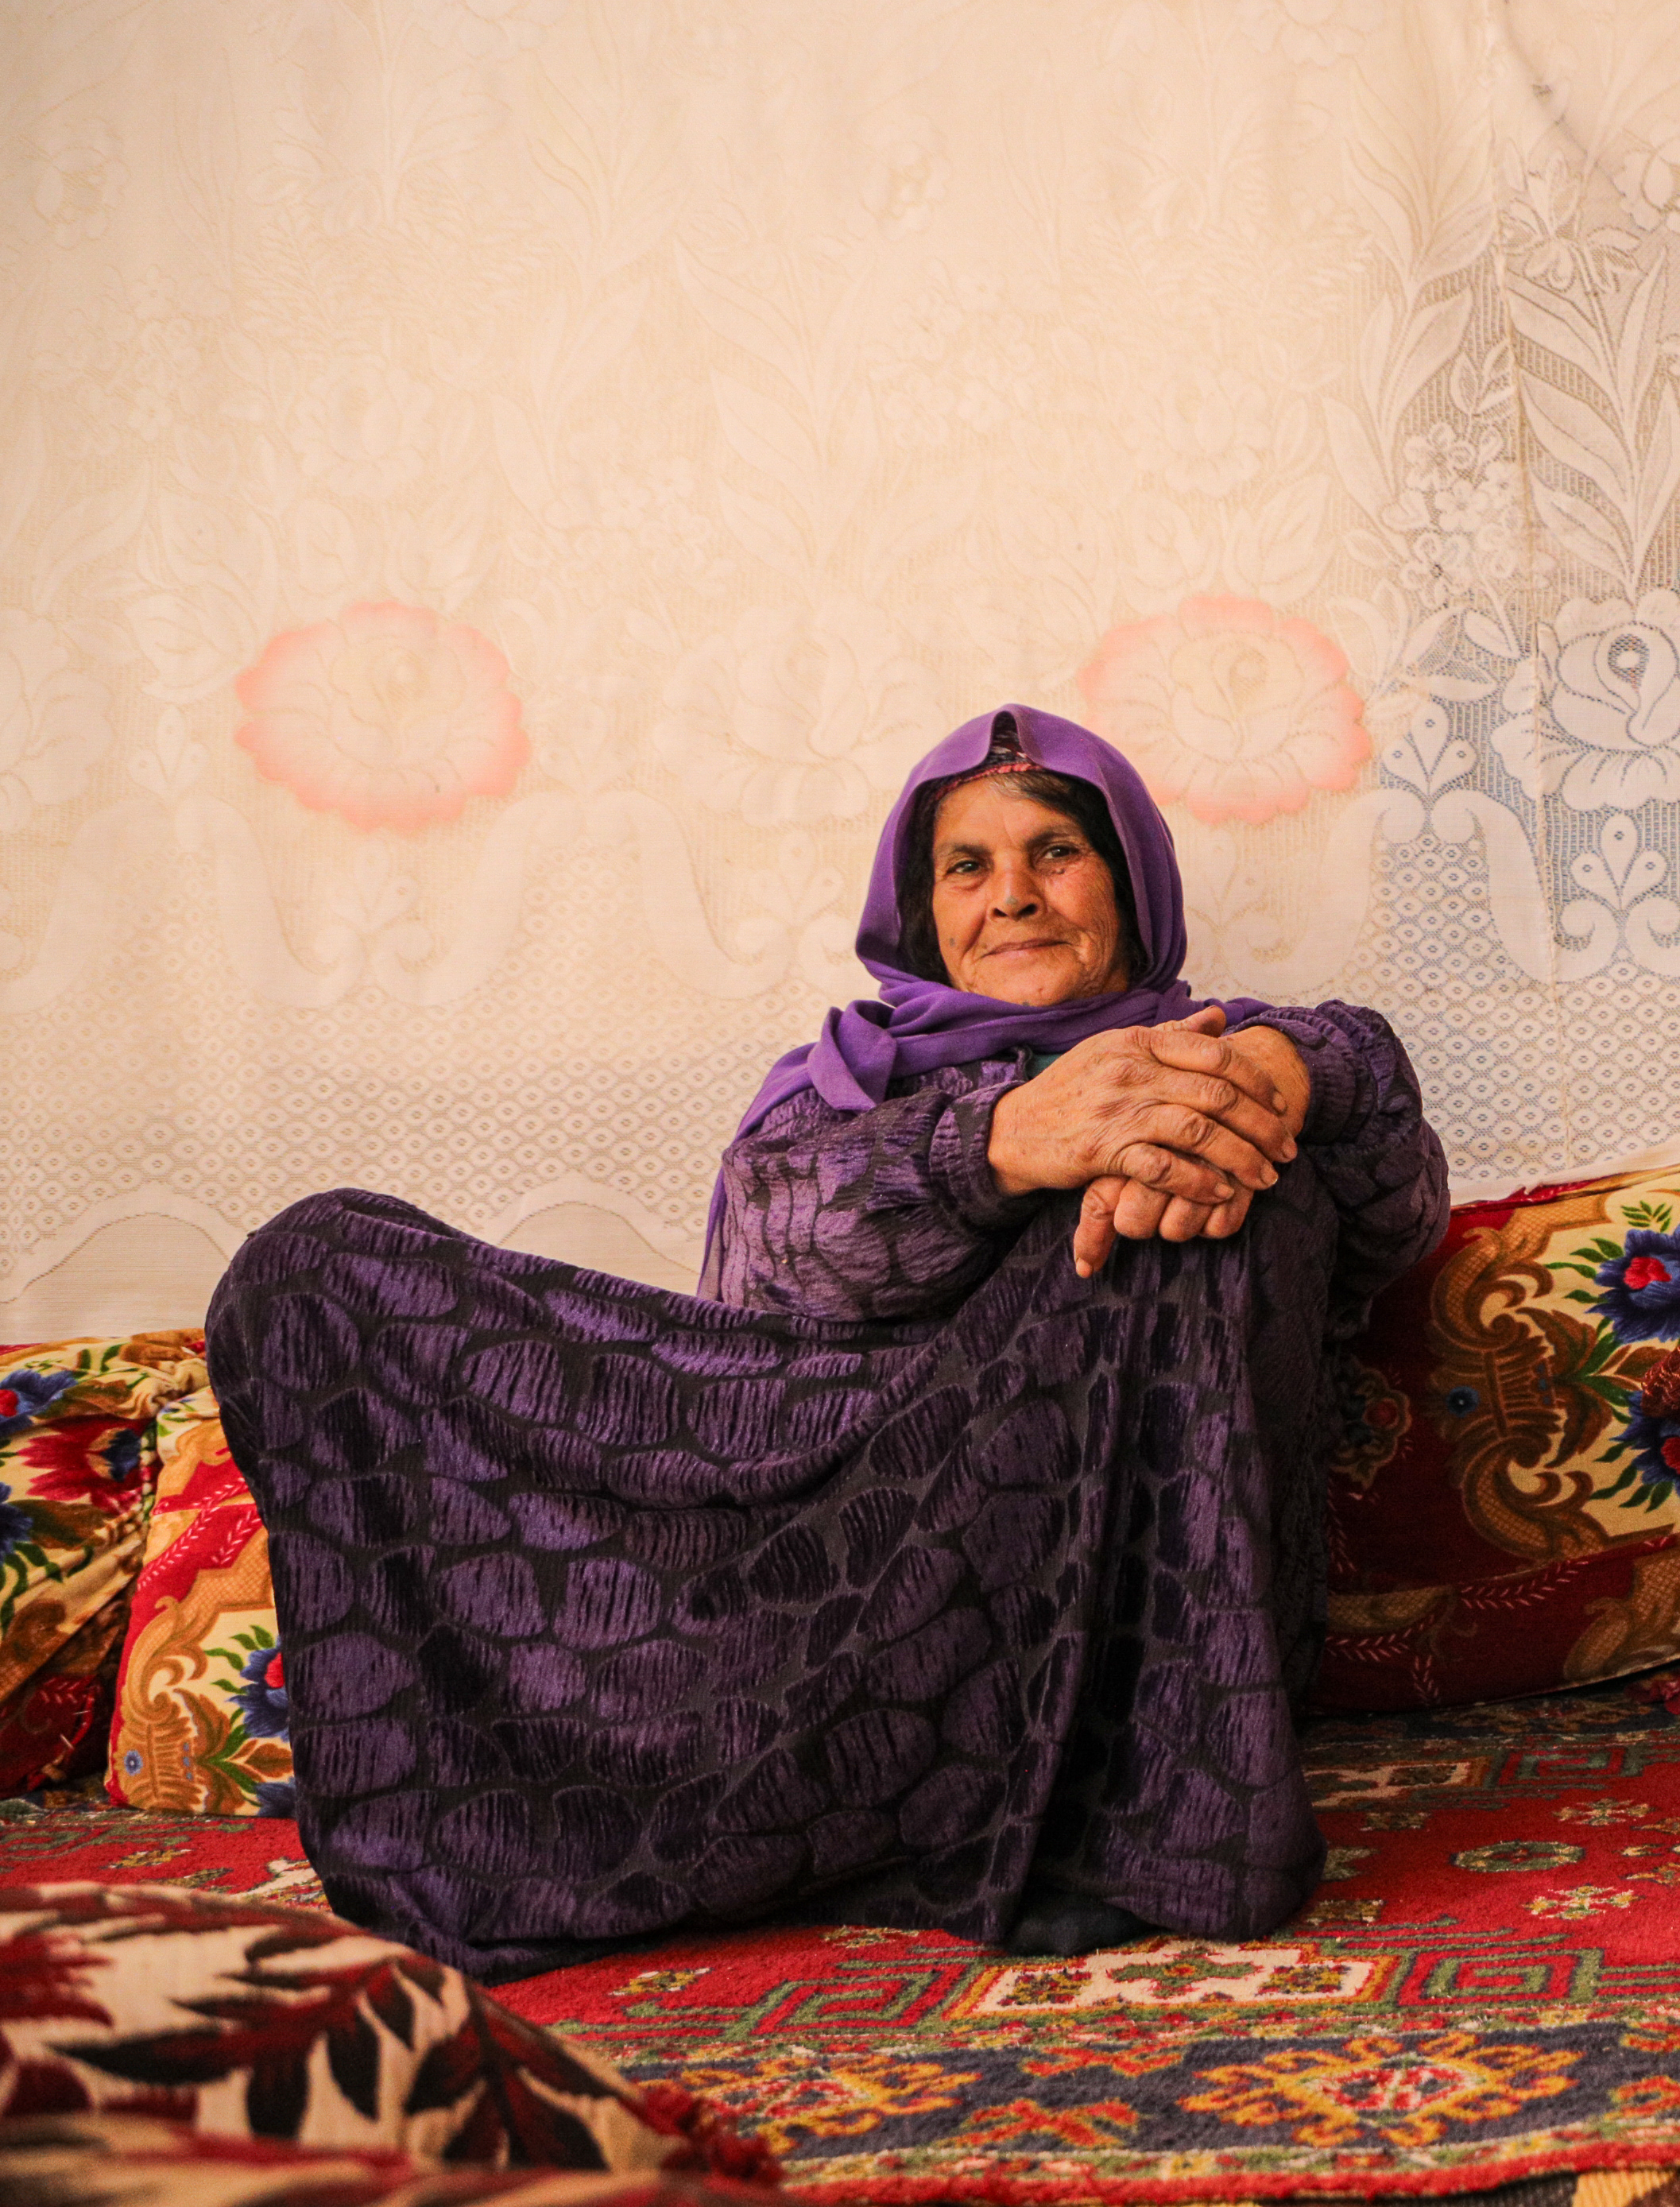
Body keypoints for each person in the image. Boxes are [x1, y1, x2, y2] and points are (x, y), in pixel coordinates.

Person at [204, 706, 1447, 1979]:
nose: (1010, 896)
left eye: (1057, 852)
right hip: (795, 1582)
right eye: (967, 866)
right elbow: (792, 1269)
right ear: (922, 913)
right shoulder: (829, 1095)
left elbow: (1394, 1210)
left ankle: (1123, 1817)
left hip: (1062, 1620)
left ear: (1134, 883)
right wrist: (1004, 1136)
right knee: (310, 1270)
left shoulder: (1221, 1060)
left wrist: (1280, 1068)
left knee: (1217, 1194)